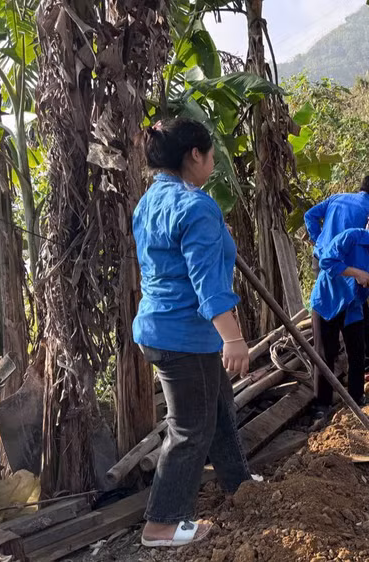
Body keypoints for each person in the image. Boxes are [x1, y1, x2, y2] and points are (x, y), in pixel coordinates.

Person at [132, 118, 252, 548]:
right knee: (189, 429)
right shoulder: (196, 206)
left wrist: (219, 236)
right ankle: (162, 524)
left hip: (161, 326)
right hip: (184, 334)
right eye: (211, 155)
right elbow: (207, 283)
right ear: (194, 155)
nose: (214, 163)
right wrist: (233, 338)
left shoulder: (150, 201)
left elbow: (173, 258)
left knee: (218, 409)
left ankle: (240, 484)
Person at [309, 212, 369, 419]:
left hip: (354, 306)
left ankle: (357, 397)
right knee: (326, 353)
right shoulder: (351, 238)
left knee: (357, 352)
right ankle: (322, 404)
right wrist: (355, 272)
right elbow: (326, 261)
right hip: (329, 300)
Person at [304, 175, 369, 379]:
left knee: (330, 307)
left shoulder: (336, 198)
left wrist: (318, 240)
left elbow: (309, 215)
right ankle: (367, 363)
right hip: (347, 267)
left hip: (321, 260)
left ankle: (334, 363)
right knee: (357, 310)